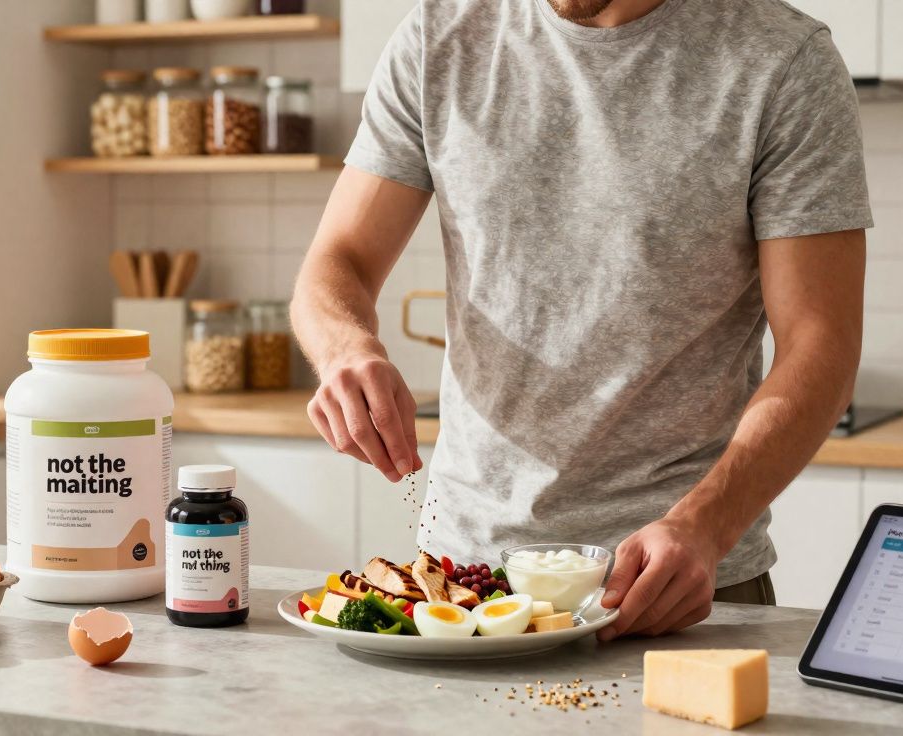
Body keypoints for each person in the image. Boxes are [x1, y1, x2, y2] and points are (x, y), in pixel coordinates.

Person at [290, 0, 870, 640]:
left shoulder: (782, 60)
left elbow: (821, 346)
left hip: (674, 581)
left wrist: (706, 524)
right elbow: (337, 261)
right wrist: (346, 350)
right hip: (464, 584)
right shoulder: (441, 36)